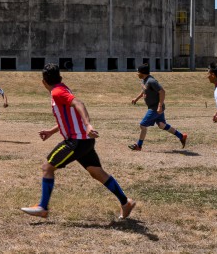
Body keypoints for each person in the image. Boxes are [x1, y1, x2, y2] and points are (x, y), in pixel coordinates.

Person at [21, 63, 135, 219]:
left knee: (47, 167)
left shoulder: (57, 92)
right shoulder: (63, 88)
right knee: (97, 172)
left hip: (76, 141)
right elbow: (68, 115)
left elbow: (79, 103)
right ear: (59, 76)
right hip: (85, 141)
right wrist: (51, 131)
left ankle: (43, 207)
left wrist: (88, 124)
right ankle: (125, 202)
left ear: (43, 82)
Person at [128, 64, 187, 151]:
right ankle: (181, 136)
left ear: (142, 72)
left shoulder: (152, 81)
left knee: (143, 125)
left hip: (155, 108)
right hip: (153, 107)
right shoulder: (144, 80)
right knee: (162, 125)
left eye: (138, 72)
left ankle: (139, 146)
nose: (137, 74)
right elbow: (144, 90)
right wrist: (136, 98)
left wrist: (159, 106)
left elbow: (162, 92)